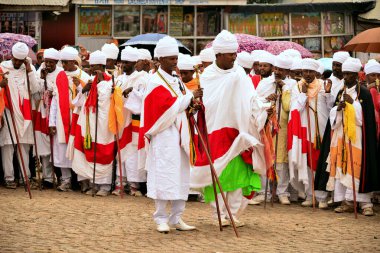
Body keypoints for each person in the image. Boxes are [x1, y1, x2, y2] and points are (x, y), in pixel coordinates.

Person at [190, 30, 269, 227]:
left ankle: (232, 213)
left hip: (239, 132)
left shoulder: (240, 74)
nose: (234, 57)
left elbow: (250, 99)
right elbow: (207, 104)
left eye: (235, 53)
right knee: (220, 175)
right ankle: (219, 213)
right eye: (230, 54)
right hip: (216, 132)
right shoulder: (207, 76)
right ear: (218, 55)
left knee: (239, 176)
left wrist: (264, 108)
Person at [140, 35, 200, 233]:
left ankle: (177, 217)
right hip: (163, 134)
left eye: (176, 58)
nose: (175, 62)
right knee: (164, 174)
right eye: (170, 58)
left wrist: (193, 104)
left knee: (181, 175)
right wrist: (189, 98)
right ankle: (161, 219)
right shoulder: (154, 81)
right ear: (160, 60)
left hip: (182, 135)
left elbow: (182, 106)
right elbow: (165, 109)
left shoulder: (177, 80)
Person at [315, 57, 379, 216]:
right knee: (343, 167)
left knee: (358, 168)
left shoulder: (363, 92)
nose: (347, 77)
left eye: (350, 74)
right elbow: (334, 114)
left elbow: (365, 118)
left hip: (358, 137)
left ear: (357, 75)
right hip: (342, 136)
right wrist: (339, 108)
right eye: (345, 74)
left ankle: (364, 203)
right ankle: (346, 200)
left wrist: (353, 104)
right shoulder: (340, 91)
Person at [71, 50, 120, 197]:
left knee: (103, 151)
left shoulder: (111, 80)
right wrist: (83, 89)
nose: (90, 69)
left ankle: (104, 185)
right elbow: (82, 101)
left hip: (104, 123)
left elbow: (106, 100)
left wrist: (100, 84)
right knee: (90, 149)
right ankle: (93, 184)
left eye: (92, 66)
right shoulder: (91, 80)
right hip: (89, 121)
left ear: (100, 65)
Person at [288, 58, 331, 209]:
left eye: (310, 71)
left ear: (315, 72)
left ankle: (323, 196)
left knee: (321, 161)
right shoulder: (297, 87)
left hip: (321, 128)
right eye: (305, 71)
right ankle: (309, 194)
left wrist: (328, 93)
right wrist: (303, 95)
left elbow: (330, 106)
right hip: (304, 129)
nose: (307, 74)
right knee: (307, 160)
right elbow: (294, 109)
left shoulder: (322, 86)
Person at [0, 42, 39, 189]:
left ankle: (25, 177)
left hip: (25, 113)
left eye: (20, 61)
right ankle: (9, 178)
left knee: (24, 146)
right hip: (8, 111)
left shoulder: (28, 69)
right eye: (15, 59)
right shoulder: (3, 67)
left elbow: (35, 90)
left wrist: (29, 71)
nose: (17, 63)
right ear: (11, 56)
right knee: (8, 146)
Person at [112, 46, 148, 197]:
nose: (124, 65)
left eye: (127, 62)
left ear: (134, 63)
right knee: (121, 151)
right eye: (122, 62)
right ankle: (121, 182)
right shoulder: (119, 79)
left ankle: (134, 185)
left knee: (132, 152)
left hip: (134, 121)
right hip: (121, 120)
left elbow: (144, 99)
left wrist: (133, 92)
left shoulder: (143, 78)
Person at [37, 48, 72, 192]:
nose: (48, 64)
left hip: (58, 116)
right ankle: (49, 177)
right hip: (45, 113)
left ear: (56, 62)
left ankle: (66, 179)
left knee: (60, 148)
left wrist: (51, 92)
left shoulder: (61, 75)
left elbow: (60, 96)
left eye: (51, 62)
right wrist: (42, 79)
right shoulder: (42, 72)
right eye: (46, 62)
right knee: (47, 149)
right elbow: (37, 91)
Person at [60, 46, 91, 192]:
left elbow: (88, 97)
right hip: (62, 116)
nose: (63, 65)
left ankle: (83, 180)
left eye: (65, 62)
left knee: (79, 147)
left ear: (73, 61)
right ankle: (66, 180)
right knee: (62, 148)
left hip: (79, 116)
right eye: (62, 62)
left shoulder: (84, 76)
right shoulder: (59, 75)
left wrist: (81, 88)